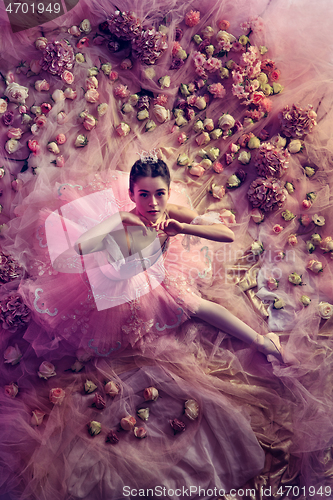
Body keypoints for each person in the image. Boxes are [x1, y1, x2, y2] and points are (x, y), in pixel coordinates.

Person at [73, 152, 284, 362]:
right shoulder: (125, 223)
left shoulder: (171, 212)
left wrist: (183, 228)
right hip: (115, 277)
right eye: (144, 195)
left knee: (195, 305)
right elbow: (81, 247)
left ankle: (262, 342)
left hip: (157, 270)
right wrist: (120, 217)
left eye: (159, 194)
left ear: (168, 192)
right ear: (131, 195)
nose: (153, 203)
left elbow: (226, 234)